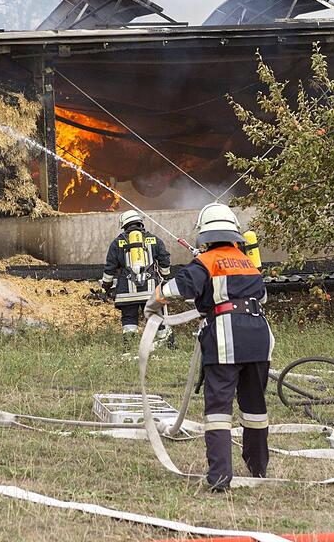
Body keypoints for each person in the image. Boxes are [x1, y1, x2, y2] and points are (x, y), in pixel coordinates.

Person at [145, 203, 272, 491]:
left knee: (217, 410)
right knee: (255, 408)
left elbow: (174, 289)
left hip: (226, 339)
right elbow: (260, 297)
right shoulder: (248, 261)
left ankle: (219, 478)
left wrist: (152, 303)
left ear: (205, 236)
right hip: (258, 337)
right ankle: (258, 469)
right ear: (234, 235)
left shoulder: (206, 262)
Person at [101, 210, 171, 339]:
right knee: (156, 316)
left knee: (129, 320)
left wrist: (106, 286)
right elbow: (165, 261)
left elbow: (109, 268)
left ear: (124, 225)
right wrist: (164, 275)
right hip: (150, 292)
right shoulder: (154, 240)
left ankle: (129, 346)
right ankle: (166, 343)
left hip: (126, 293)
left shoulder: (117, 243)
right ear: (140, 223)